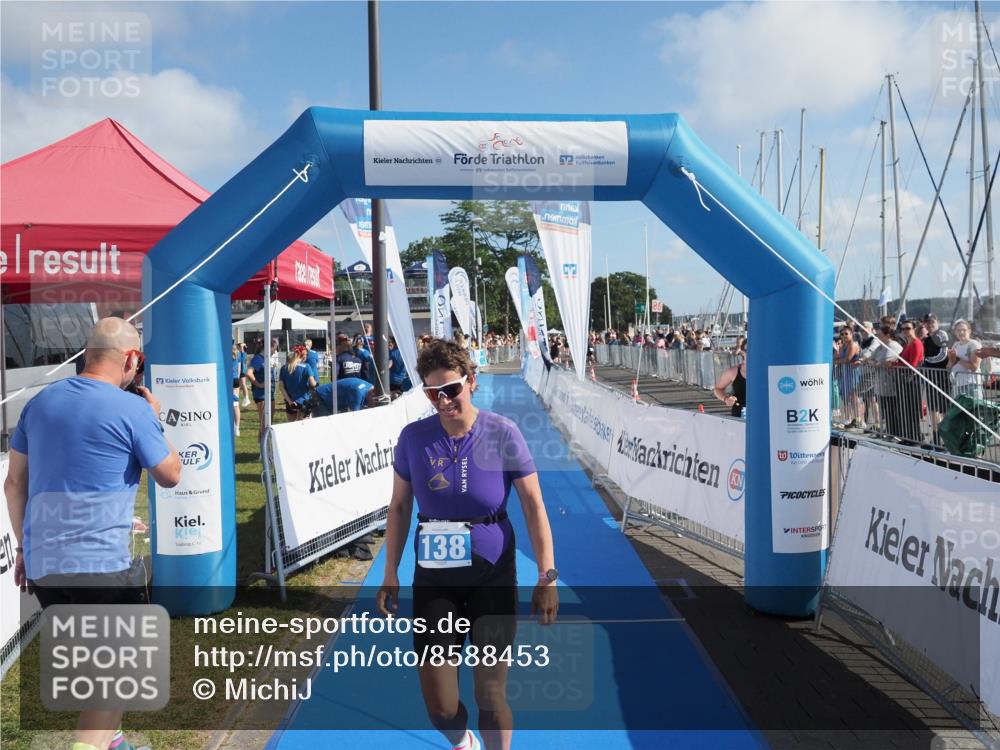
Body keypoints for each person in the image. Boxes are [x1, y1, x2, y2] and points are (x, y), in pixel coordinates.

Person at [5, 317, 181, 750]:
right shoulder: (134, 409)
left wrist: (25, 549)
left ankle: (112, 741)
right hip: (100, 565)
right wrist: (153, 419)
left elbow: (14, 482)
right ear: (132, 359)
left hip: (46, 567)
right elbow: (171, 474)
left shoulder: (39, 402)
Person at [377, 340, 558, 750]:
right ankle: (463, 741)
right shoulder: (413, 438)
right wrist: (390, 571)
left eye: (451, 390)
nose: (442, 401)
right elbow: (401, 506)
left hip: (491, 573)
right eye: (431, 393)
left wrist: (547, 576)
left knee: (491, 697)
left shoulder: (503, 433)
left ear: (471, 382)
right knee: (440, 707)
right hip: (435, 578)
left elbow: (534, 506)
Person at [893, 320, 925, 442]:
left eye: (908, 328)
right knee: (906, 408)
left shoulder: (916, 343)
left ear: (914, 329)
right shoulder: (907, 344)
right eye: (903, 329)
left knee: (912, 409)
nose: (905, 331)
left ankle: (916, 437)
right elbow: (901, 360)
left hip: (913, 380)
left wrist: (892, 365)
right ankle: (909, 435)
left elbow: (912, 364)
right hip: (905, 380)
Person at [246, 337, 279, 441]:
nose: (275, 350)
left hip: (270, 393)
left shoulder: (267, 358)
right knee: (264, 423)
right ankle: (262, 450)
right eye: (275, 348)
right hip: (261, 394)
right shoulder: (258, 358)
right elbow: (249, 373)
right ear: (270, 347)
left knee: (269, 422)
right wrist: (259, 384)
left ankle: (266, 447)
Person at [834, 325, 863, 429]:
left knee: (853, 396)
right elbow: (838, 356)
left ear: (851, 334)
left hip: (852, 372)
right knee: (846, 397)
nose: (844, 336)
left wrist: (834, 362)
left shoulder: (853, 345)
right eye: (842, 334)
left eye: (846, 333)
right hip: (845, 373)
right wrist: (836, 350)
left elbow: (847, 359)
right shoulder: (843, 345)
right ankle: (849, 419)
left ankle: (859, 419)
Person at [279, 346, 318, 422]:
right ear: (303, 356)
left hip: (290, 403)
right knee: (304, 428)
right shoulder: (306, 367)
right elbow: (313, 383)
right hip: (304, 401)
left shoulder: (284, 368)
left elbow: (281, 387)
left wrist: (289, 401)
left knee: (291, 427)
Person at [947, 319, 983, 400]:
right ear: (955, 332)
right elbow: (949, 365)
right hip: (957, 384)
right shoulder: (955, 345)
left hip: (971, 385)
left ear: (969, 331)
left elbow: (974, 367)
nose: (961, 332)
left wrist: (957, 359)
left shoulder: (975, 345)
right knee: (958, 412)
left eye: (964, 330)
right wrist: (950, 358)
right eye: (958, 330)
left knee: (973, 411)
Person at [712, 338, 747, 417]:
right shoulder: (733, 372)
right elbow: (717, 389)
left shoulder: (765, 370)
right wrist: (726, 399)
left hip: (763, 411)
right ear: (742, 352)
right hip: (741, 412)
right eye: (748, 351)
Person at [231, 342, 243, 437]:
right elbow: (239, 369)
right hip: (235, 380)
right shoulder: (238, 353)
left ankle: (233, 426)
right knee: (236, 404)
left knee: (228, 403)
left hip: (228, 379)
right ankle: (237, 427)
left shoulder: (225, 351)